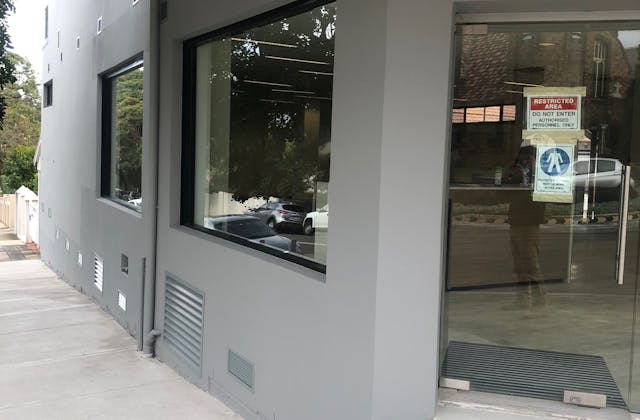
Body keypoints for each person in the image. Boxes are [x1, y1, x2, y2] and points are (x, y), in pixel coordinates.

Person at [505, 146, 546, 310]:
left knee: (530, 263)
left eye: (527, 158)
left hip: (530, 221)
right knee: (518, 264)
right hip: (516, 219)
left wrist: (534, 167)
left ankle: (539, 303)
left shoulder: (540, 174)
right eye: (521, 157)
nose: (524, 161)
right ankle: (522, 300)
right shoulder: (516, 172)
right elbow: (504, 190)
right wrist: (512, 170)